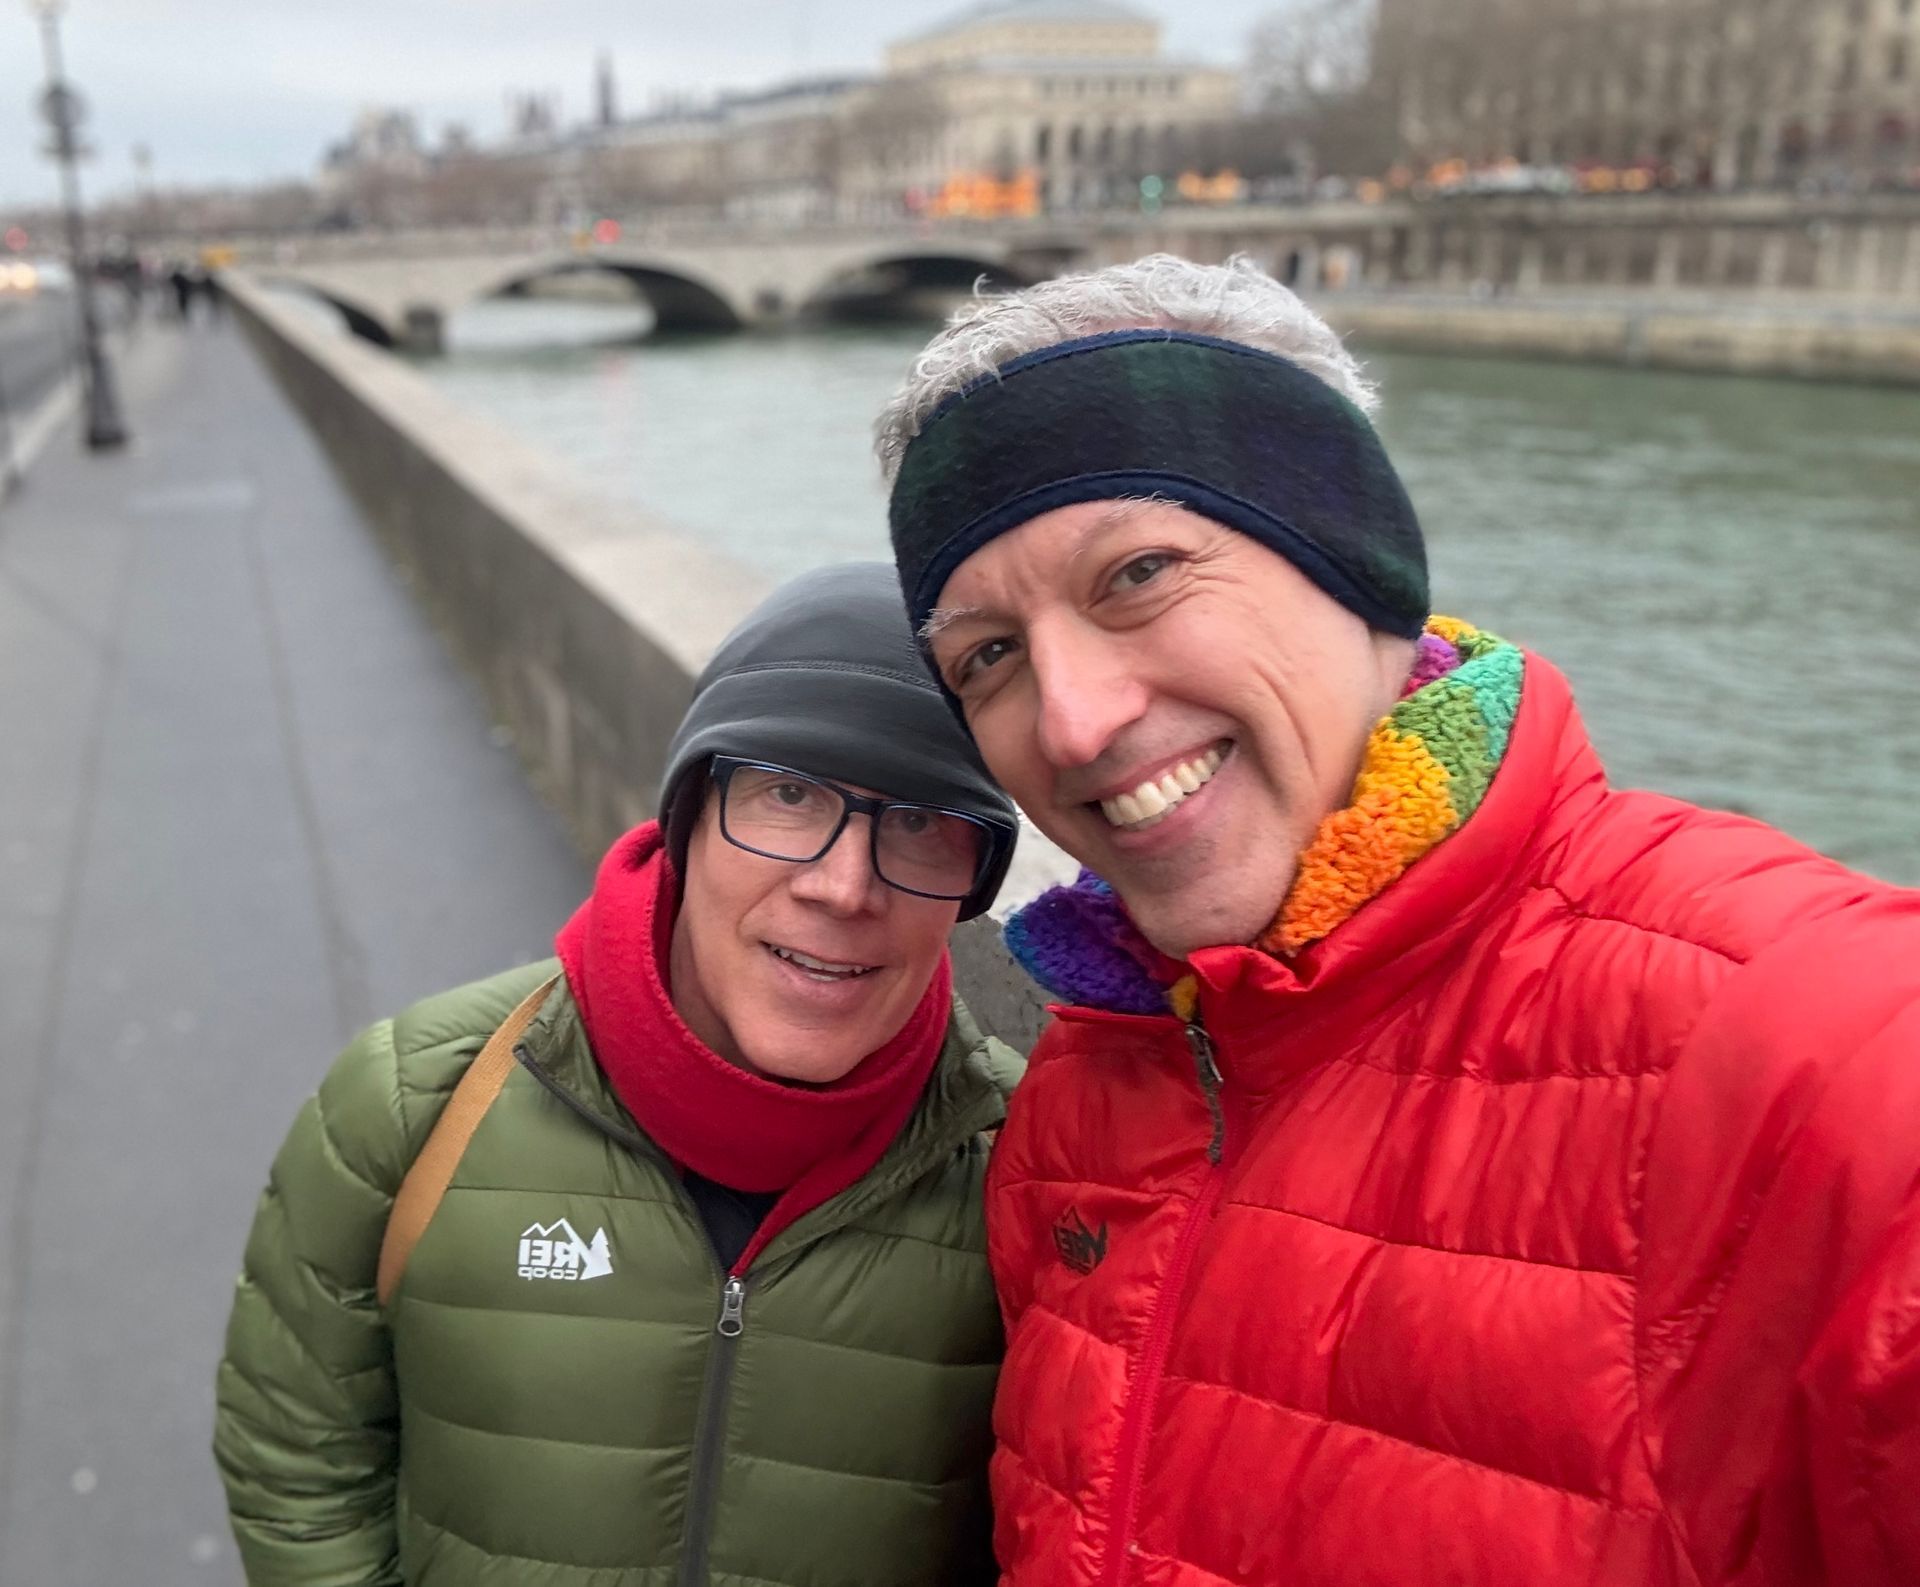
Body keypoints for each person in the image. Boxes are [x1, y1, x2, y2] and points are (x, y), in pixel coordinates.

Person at [876, 254, 1920, 1586]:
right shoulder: (1084, 1097)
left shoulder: (1834, 1064)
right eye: (988, 655)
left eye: (1138, 573)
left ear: (1358, 559)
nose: (1073, 721)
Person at [214, 563, 1023, 1586]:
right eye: (788, 794)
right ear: (688, 815)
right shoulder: (417, 1104)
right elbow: (297, 1459)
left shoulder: (1028, 1167)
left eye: (919, 822)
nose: (844, 885)